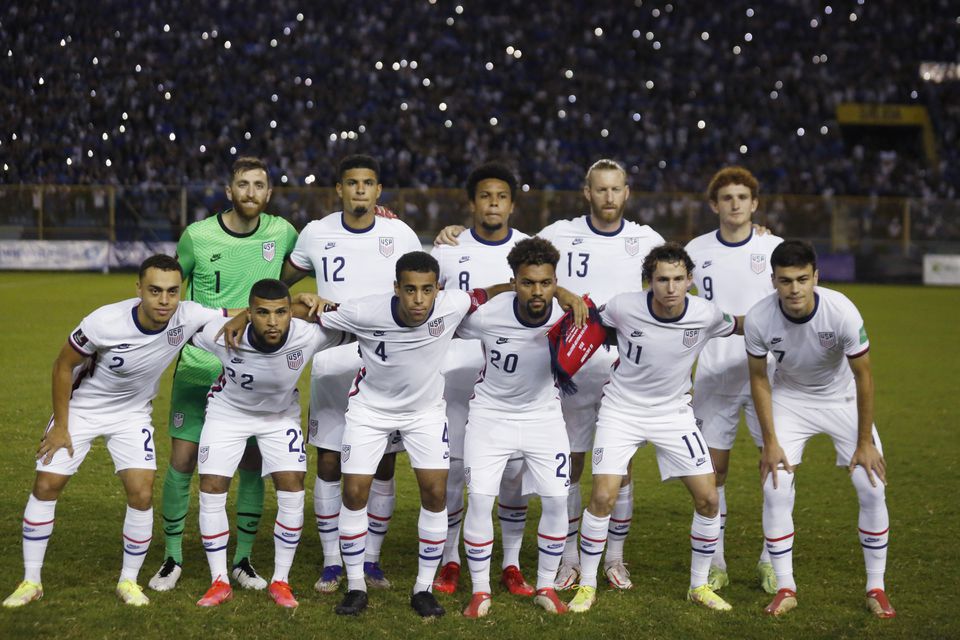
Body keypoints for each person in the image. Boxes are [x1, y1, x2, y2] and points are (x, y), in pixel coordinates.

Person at [435, 159, 665, 591]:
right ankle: (570, 558)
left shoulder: (647, 239)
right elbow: (531, 271)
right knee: (573, 463)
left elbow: (669, 283)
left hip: (624, 365)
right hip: (569, 365)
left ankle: (614, 558)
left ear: (627, 192)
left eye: (616, 189)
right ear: (587, 191)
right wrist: (563, 291)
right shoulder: (558, 232)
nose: (609, 197)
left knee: (620, 465)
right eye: (601, 189)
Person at [316, 251, 585, 618]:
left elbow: (493, 292)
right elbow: (313, 312)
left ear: (438, 289)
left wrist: (564, 295)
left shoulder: (452, 304)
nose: (419, 299)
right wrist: (289, 305)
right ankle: (355, 586)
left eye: (428, 290)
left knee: (436, 492)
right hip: (370, 412)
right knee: (354, 492)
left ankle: (423, 588)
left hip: (425, 413)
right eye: (410, 290)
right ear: (396, 288)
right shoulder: (364, 310)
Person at [3, 255, 228, 608]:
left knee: (141, 491)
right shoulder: (104, 321)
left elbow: (247, 312)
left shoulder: (189, 315)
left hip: (132, 415)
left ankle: (129, 580)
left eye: (172, 292)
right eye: (155, 291)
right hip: (82, 410)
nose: (164, 301)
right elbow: (63, 365)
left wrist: (299, 304)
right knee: (47, 485)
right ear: (138, 288)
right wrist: (61, 426)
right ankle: (31, 580)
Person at [566, 242, 741, 614]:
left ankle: (698, 586)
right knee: (603, 497)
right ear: (650, 281)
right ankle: (587, 584)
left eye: (679, 279)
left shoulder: (705, 314)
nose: (671, 288)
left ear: (690, 280)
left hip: (674, 414)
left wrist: (784, 322)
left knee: (709, 499)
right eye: (663, 279)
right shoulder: (623, 306)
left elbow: (736, 325)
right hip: (621, 411)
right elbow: (591, 322)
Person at [150, 157, 299, 592]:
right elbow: (172, 293)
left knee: (252, 465)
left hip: (255, 373)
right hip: (200, 368)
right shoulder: (198, 236)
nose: (251, 192)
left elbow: (322, 250)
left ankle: (243, 561)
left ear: (268, 194)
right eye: (242, 184)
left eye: (259, 185)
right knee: (182, 462)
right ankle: (172, 558)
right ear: (229, 190)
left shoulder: (282, 232)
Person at [280, 154, 422, 593]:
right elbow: (281, 283)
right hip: (332, 362)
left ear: (378, 191)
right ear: (338, 190)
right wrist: (302, 299)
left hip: (384, 364)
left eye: (368, 183)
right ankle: (330, 561)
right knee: (328, 460)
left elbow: (427, 280)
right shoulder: (316, 233)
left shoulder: (399, 233)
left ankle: (372, 560)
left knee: (381, 463)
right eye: (351, 183)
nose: (360, 189)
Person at [744, 240, 895, 618]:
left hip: (841, 399)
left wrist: (864, 442)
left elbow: (864, 377)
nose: (794, 289)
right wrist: (771, 442)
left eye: (801, 279)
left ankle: (876, 587)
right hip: (790, 399)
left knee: (871, 485)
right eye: (784, 281)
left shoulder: (841, 311)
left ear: (816, 276)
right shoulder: (760, 318)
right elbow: (759, 380)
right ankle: (784, 587)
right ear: (773, 281)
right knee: (774, 487)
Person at [189, 280, 351, 609]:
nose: (273, 322)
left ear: (291, 313)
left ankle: (281, 580)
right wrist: (235, 318)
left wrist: (319, 303)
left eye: (281, 313)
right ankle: (219, 580)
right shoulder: (219, 334)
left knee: (292, 487)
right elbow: (181, 323)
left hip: (279, 417)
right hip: (227, 414)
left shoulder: (308, 335)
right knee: (211, 486)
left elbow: (351, 320)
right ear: (249, 314)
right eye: (262, 313)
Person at [431, 162, 535, 597]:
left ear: (512, 204)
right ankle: (450, 558)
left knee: (514, 472)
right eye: (485, 196)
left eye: (502, 197)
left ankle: (510, 564)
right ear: (472, 203)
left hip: (514, 375)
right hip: (457, 371)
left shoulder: (531, 248)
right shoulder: (446, 250)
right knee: (455, 471)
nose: (493, 203)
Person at [457, 237, 576, 618]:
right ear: (514, 282)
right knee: (479, 500)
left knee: (558, 499)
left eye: (546, 282)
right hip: (490, 417)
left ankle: (545, 586)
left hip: (544, 418)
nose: (537, 291)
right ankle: (479, 591)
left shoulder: (570, 315)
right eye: (528, 282)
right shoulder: (487, 315)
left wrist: (575, 299)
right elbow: (449, 308)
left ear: (556, 281)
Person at [684, 166, 783, 594]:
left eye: (743, 197)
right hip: (712, 375)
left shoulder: (774, 247)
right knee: (714, 472)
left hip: (767, 376)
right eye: (727, 198)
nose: (736, 204)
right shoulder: (696, 250)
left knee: (775, 467)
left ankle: (770, 560)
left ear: (755, 204)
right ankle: (717, 561)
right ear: (714, 205)